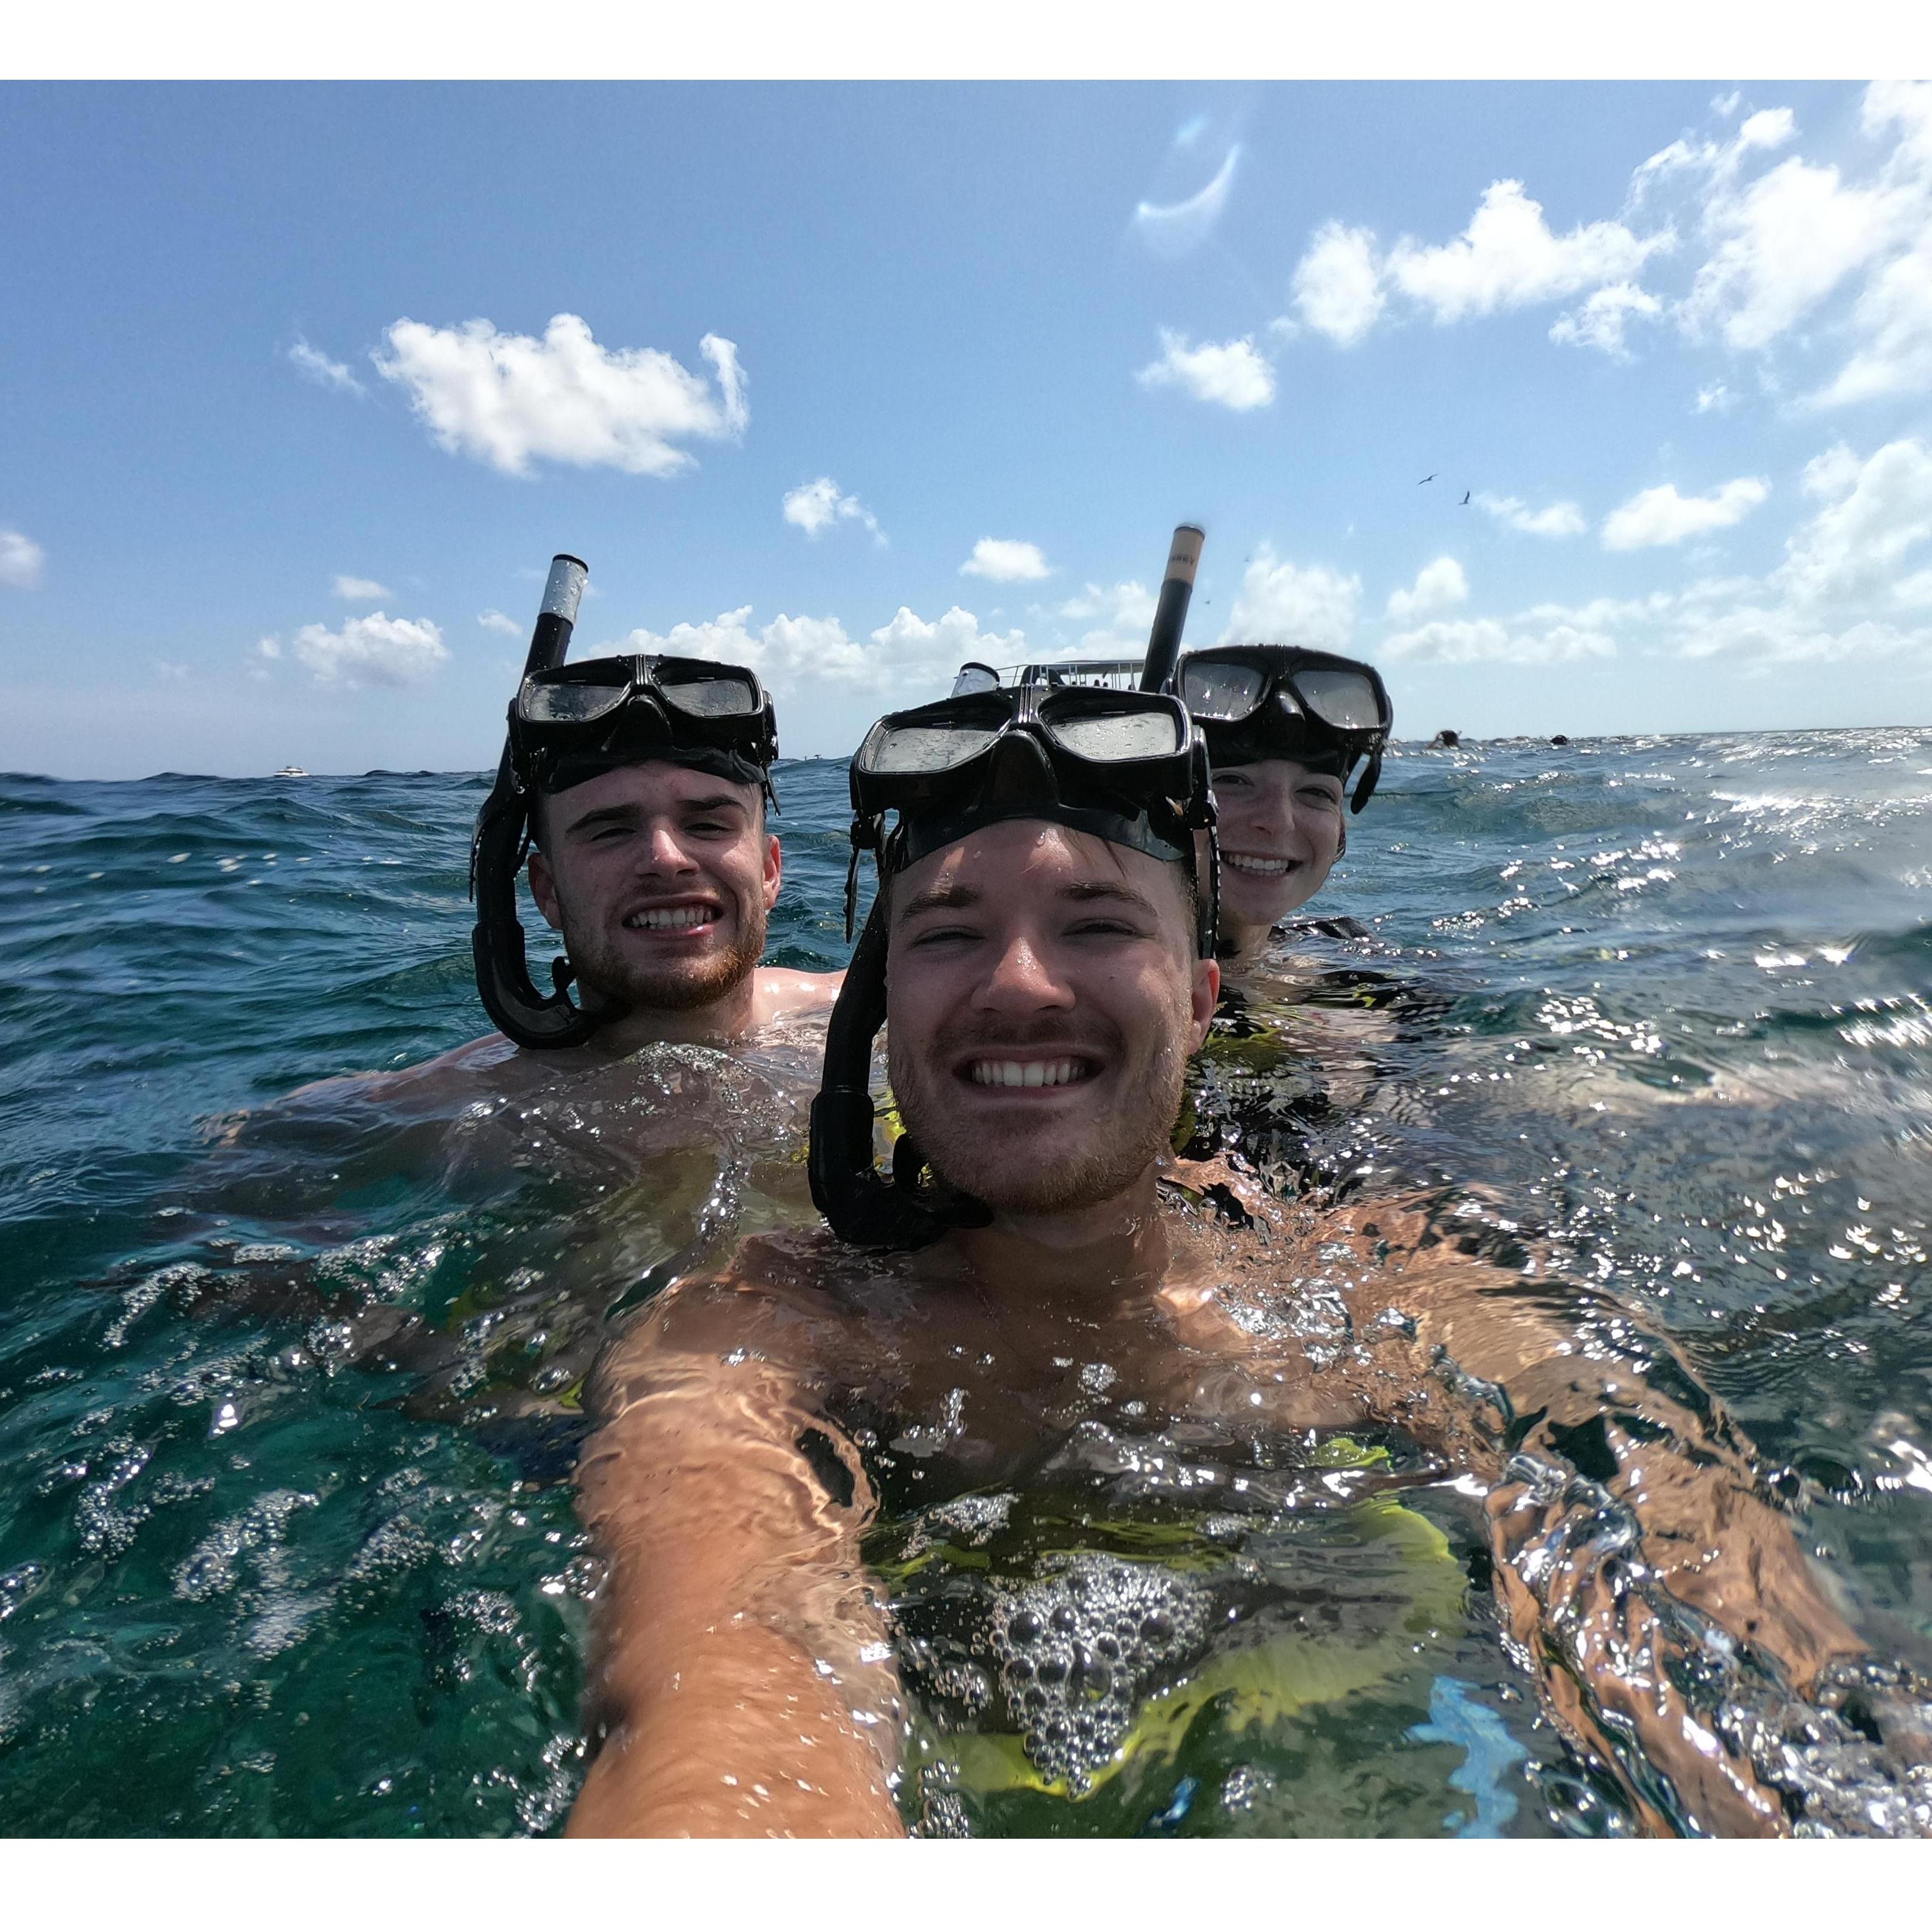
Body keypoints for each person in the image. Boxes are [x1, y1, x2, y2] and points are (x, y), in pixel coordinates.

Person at [563, 680, 1928, 1839]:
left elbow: (1688, 1571)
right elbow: (718, 1674)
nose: (1019, 982)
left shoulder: (1384, 1269)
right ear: (879, 1010)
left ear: (1203, 996)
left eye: (1094, 922)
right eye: (945, 931)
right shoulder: (750, 1338)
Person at [1173, 643, 1393, 975]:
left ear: (1340, 827)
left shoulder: (1346, 950)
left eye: (1316, 792)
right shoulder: (1112, 974)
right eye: (1234, 781)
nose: (1279, 821)